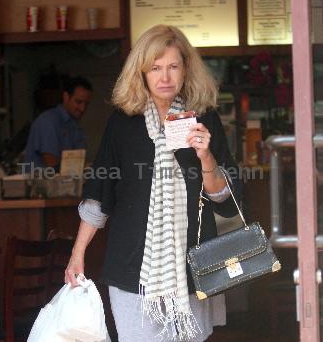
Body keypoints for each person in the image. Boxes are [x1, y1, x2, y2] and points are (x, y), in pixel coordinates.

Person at [65, 25, 242, 342]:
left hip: (192, 266)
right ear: (141, 73)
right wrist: (77, 253)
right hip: (132, 267)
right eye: (155, 68)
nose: (165, 77)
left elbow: (224, 198)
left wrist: (205, 156)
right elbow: (99, 193)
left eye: (173, 66)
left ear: (186, 69)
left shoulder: (203, 117)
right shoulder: (123, 123)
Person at [24, 76, 92, 171]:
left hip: (65, 183)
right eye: (78, 102)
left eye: (86, 104)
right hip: (42, 184)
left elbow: (78, 163)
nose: (82, 109)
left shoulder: (75, 125)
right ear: (66, 97)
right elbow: (52, 165)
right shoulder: (47, 121)